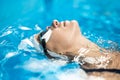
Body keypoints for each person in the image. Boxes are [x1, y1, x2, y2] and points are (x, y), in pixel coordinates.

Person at [33, 20, 120, 80]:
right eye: (46, 32)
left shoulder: (112, 50)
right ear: (56, 53)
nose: (54, 22)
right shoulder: (98, 77)